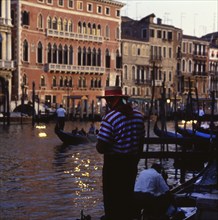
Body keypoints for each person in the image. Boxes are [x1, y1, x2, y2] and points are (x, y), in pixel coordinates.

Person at [96, 86, 145, 220]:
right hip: (131, 163)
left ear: (112, 101)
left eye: (107, 100)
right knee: (127, 194)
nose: (107, 103)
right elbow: (141, 142)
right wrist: (135, 159)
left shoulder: (110, 118)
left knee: (112, 200)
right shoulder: (139, 117)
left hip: (114, 165)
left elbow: (101, 147)